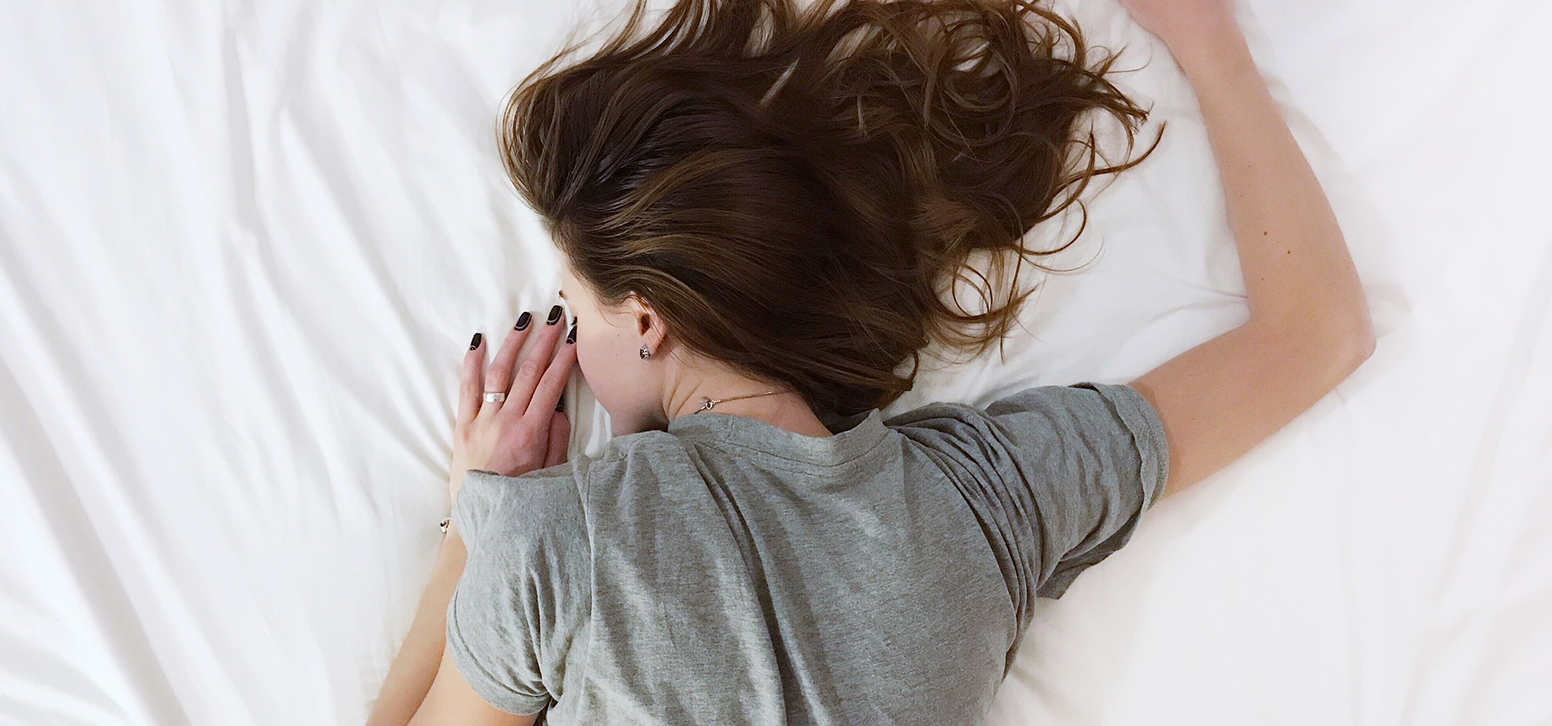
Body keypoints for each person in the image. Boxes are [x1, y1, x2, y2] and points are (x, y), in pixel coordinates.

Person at [368, 0, 1375, 722]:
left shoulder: (556, 544)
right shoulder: (987, 499)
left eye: (578, 307)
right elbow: (1315, 334)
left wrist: (478, 519)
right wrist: (1206, 41)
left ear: (648, 322)